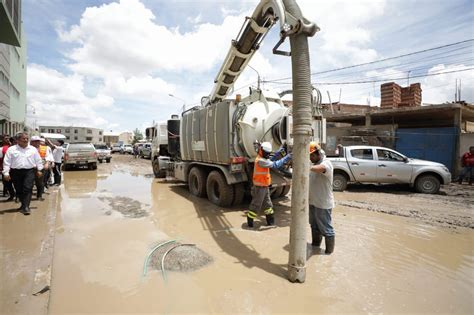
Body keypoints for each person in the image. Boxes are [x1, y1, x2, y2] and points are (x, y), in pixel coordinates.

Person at [246, 142, 292, 228]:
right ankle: (250, 222)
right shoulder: (260, 160)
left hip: (264, 186)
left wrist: (278, 153)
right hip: (259, 187)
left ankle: (270, 222)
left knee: (268, 204)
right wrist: (287, 157)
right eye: (267, 153)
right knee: (256, 204)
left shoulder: (263, 157)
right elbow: (275, 164)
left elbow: (270, 160)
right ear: (261, 150)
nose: (268, 155)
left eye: (269, 153)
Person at [2, 133, 43, 215]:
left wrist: (39, 170)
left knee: (27, 188)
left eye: (27, 138)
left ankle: (26, 207)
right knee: (19, 189)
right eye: (23, 139)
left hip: (29, 171)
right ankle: (23, 205)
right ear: (17, 140)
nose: (25, 140)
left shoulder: (33, 149)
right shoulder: (11, 149)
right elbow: (7, 162)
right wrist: (6, 173)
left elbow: (38, 160)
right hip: (15, 172)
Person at [308, 142, 335, 254]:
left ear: (318, 153)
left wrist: (306, 167)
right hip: (313, 202)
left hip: (323, 203)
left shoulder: (326, 163)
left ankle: (329, 254)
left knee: (326, 229)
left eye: (312, 155)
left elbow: (321, 168)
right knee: (314, 226)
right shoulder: (313, 164)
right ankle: (315, 247)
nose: (310, 158)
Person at [30, 136, 48, 200]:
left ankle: (39, 195)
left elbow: (47, 157)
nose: (37, 142)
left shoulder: (44, 148)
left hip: (40, 168)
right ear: (31, 142)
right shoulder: (28, 148)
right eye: (35, 141)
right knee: (29, 183)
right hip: (30, 168)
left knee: (39, 182)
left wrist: (47, 163)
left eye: (38, 141)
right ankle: (27, 196)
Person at [0, 135, 16, 200]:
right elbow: (0, 159)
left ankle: (18, 196)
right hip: (6, 169)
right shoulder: (3, 149)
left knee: (17, 184)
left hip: (17, 169)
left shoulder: (22, 149)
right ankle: (12, 194)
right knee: (7, 183)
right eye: (14, 141)